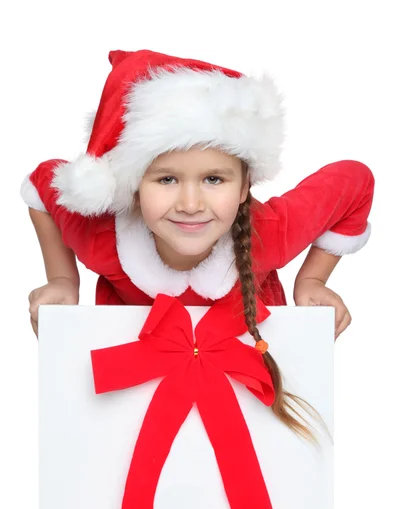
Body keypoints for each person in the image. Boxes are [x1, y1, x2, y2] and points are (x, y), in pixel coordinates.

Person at [20, 49, 375, 443]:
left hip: (253, 397)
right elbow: (42, 183)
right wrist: (61, 278)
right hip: (131, 399)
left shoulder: (268, 234)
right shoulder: (103, 241)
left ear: (245, 187)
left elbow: (355, 181)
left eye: (214, 180)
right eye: (167, 180)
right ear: (134, 186)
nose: (191, 205)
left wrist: (312, 280)